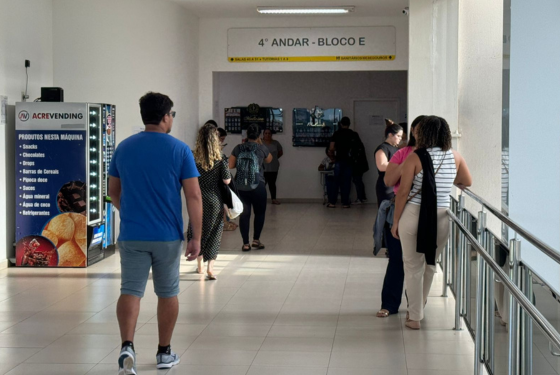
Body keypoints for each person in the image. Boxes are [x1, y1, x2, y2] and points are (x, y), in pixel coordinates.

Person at [108, 92, 202, 373]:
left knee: (130, 291)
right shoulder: (180, 150)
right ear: (165, 117)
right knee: (168, 292)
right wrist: (196, 236)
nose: (172, 119)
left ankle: (127, 346)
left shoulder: (124, 148)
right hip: (167, 236)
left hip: (133, 234)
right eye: (172, 114)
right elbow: (194, 195)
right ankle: (164, 353)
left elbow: (113, 191)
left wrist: (130, 212)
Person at [391, 115, 472, 330]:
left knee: (412, 265)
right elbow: (467, 181)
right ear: (445, 134)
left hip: (414, 214)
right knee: (429, 264)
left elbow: (403, 193)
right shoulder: (455, 156)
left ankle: (415, 316)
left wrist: (395, 221)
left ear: (423, 133)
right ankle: (419, 309)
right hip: (441, 216)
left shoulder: (415, 157)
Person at [376, 115, 425, 318]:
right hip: (401, 208)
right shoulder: (401, 153)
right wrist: (409, 162)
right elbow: (389, 179)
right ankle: (390, 303)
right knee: (397, 258)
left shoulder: (438, 154)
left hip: (427, 212)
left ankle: (416, 306)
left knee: (421, 262)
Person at [187, 124, 231, 280]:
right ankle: (210, 268)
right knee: (214, 232)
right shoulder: (220, 159)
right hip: (214, 200)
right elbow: (226, 180)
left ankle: (200, 265)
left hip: (196, 199)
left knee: (197, 231)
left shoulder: (192, 157)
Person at [229, 123, 272, 251]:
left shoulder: (238, 148)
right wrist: (261, 145)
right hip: (258, 184)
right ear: (259, 135)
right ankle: (256, 240)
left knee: (244, 215)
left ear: (246, 134)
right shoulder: (261, 148)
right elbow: (269, 160)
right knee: (259, 213)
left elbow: (231, 165)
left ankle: (245, 243)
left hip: (241, 186)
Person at [328, 117, 359, 208]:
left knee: (336, 181)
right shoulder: (353, 134)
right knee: (347, 182)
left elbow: (331, 148)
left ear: (341, 124)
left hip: (339, 159)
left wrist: (333, 157)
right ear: (349, 124)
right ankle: (345, 203)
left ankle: (332, 202)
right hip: (349, 160)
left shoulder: (336, 133)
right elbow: (357, 148)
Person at [374, 122, 403, 207]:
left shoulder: (397, 148)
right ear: (390, 135)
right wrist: (402, 166)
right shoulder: (382, 148)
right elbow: (382, 166)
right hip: (386, 186)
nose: (400, 139)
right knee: (386, 213)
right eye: (398, 136)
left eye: (401, 136)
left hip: (396, 185)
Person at [216, 127, 238, 231]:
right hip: (218, 183)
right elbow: (226, 179)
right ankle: (224, 223)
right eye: (222, 139)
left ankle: (225, 221)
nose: (222, 142)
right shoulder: (217, 154)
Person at [262, 128, 284, 205]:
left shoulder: (276, 143)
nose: (267, 135)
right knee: (261, 185)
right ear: (263, 134)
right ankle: (260, 199)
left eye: (269, 133)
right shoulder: (260, 143)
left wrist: (273, 159)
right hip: (263, 167)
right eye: (266, 133)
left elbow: (280, 152)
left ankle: (273, 199)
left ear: (271, 135)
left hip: (273, 167)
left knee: (272, 184)